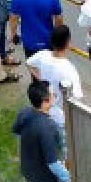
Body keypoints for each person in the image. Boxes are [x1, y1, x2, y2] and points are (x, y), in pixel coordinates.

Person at [25, 25, 83, 154]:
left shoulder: (42, 55)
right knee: (65, 149)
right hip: (61, 115)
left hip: (44, 110)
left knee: (47, 142)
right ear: (68, 43)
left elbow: (28, 63)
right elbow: (77, 97)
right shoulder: (69, 70)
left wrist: (39, 78)